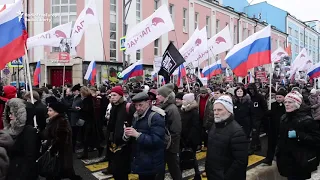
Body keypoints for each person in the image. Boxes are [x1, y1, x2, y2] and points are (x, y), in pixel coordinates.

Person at [276, 91, 320, 180]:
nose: (286, 104)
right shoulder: (284, 118)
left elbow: (316, 139)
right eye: (285, 102)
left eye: (290, 102)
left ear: (297, 104)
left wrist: (299, 135)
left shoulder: (306, 120)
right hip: (286, 159)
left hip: (300, 160)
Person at [124, 92, 166, 180]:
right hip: (142, 161)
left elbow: (157, 141)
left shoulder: (156, 117)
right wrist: (128, 134)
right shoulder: (136, 115)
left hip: (152, 163)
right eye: (136, 105)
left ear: (148, 102)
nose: (138, 108)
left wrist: (137, 135)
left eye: (141, 105)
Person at [206, 96, 248, 180]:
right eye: (214, 110)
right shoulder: (215, 125)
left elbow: (240, 161)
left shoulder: (237, 132)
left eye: (219, 110)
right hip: (213, 175)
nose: (216, 113)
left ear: (229, 111)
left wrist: (225, 177)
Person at [42, 101, 81, 180]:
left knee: (56, 171)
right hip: (58, 153)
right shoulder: (53, 120)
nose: (48, 112)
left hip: (60, 153)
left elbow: (61, 139)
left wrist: (52, 149)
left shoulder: (61, 122)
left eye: (50, 110)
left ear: (57, 112)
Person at [102, 86, 135, 179]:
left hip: (124, 144)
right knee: (116, 171)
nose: (112, 97)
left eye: (115, 95)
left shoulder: (127, 106)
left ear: (121, 96)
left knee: (121, 171)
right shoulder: (113, 107)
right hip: (114, 143)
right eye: (111, 95)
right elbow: (111, 125)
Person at [4, 98, 39, 180]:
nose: (9, 116)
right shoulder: (12, 130)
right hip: (13, 170)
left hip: (20, 172)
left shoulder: (29, 131)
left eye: (12, 113)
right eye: (9, 113)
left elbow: (29, 158)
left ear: (20, 115)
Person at [156, 83, 182, 180]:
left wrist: (170, 146)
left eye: (159, 95)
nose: (157, 96)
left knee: (174, 170)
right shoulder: (164, 107)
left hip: (170, 147)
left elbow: (176, 130)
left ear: (166, 97)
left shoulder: (172, 109)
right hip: (165, 145)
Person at [179, 93, 201, 180]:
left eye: (184, 99)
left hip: (190, 140)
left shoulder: (194, 112)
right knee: (183, 157)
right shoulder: (183, 110)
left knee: (192, 156)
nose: (182, 101)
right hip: (183, 138)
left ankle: (197, 174)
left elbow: (195, 127)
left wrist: (188, 140)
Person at [77, 87, 103, 159]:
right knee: (90, 138)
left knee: (88, 138)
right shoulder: (88, 99)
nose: (80, 94)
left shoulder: (87, 100)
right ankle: (88, 152)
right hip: (88, 121)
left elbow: (88, 110)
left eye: (81, 92)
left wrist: (81, 109)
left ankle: (94, 150)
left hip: (89, 122)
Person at [263, 89, 287, 165]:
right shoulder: (273, 105)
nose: (278, 99)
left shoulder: (287, 105)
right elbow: (269, 114)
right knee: (271, 144)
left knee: (282, 145)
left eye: (280, 97)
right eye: (277, 97)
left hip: (283, 128)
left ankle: (282, 160)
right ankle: (269, 159)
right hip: (273, 128)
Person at [247, 83, 268, 153]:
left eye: (252, 89)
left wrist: (262, 116)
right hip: (250, 117)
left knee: (255, 133)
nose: (251, 91)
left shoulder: (260, 97)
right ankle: (258, 145)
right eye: (249, 89)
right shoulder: (248, 97)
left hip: (258, 118)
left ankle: (253, 147)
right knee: (254, 133)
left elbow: (264, 107)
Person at [196, 87, 214, 151]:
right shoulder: (198, 97)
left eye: (204, 93)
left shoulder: (210, 98)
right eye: (202, 93)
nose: (203, 95)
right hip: (199, 116)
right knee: (199, 132)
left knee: (205, 132)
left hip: (207, 117)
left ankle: (206, 145)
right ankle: (199, 144)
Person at [69, 84, 82, 151]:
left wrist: (71, 109)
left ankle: (76, 147)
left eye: (74, 91)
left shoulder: (79, 99)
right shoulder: (75, 98)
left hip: (77, 119)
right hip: (74, 118)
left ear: (77, 91)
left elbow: (77, 108)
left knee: (76, 134)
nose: (73, 93)